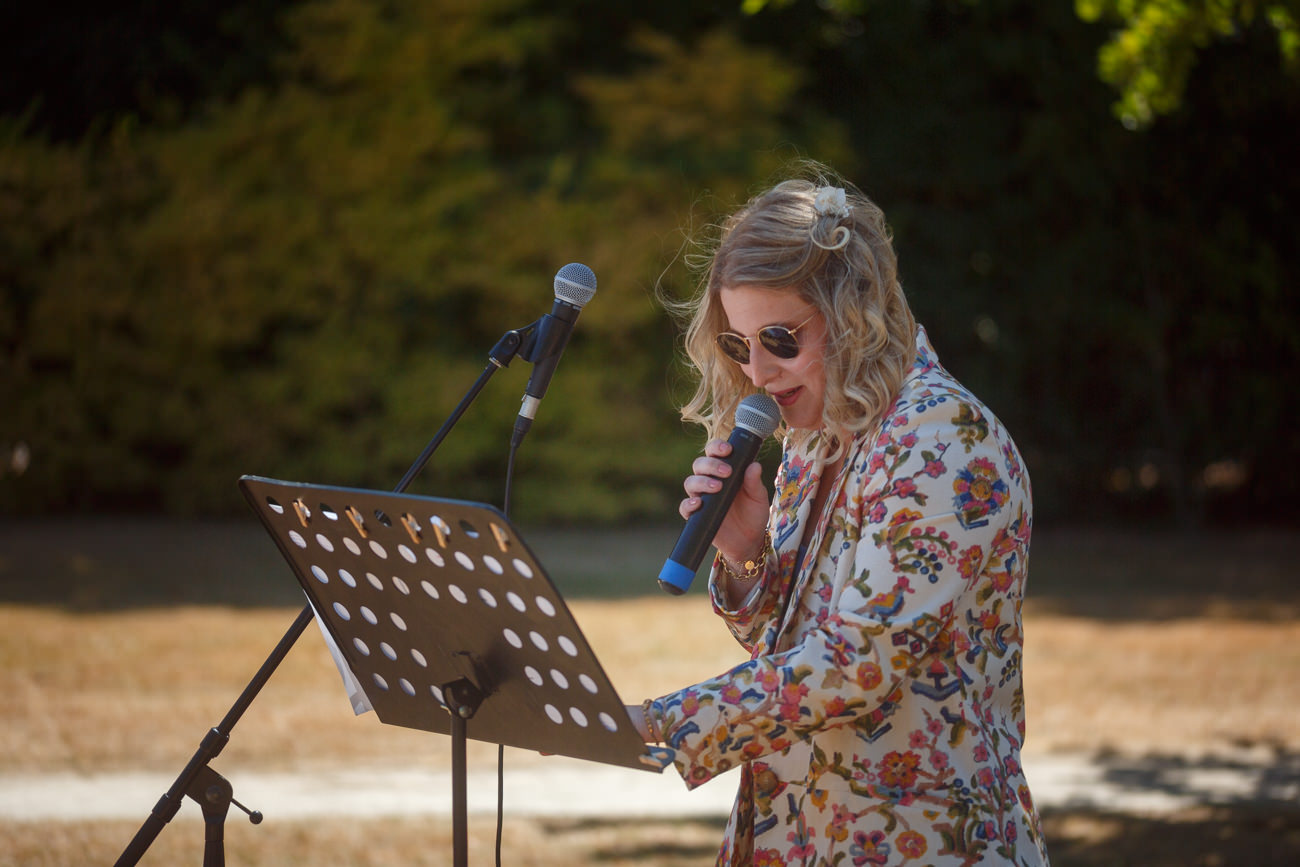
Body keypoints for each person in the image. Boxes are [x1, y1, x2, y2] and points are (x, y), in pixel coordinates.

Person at [629, 163, 1050, 866]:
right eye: (740, 344)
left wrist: (658, 721)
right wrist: (747, 553)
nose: (758, 373)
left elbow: (857, 666)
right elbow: (795, 643)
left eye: (782, 340)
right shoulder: (817, 439)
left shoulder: (943, 441)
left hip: (923, 844)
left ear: (856, 311)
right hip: (806, 832)